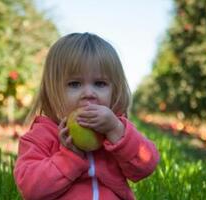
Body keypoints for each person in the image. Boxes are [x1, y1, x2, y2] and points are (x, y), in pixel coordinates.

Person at [13, 32, 160, 200]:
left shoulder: (117, 131)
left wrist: (116, 131)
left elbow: (146, 165)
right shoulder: (42, 136)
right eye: (74, 84)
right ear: (53, 90)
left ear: (115, 90)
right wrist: (69, 157)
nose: (89, 93)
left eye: (100, 83)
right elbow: (31, 189)